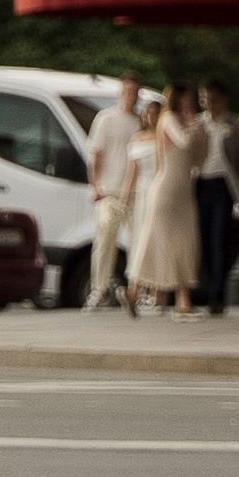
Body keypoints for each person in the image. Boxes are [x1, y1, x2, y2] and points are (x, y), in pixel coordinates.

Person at [128, 83, 202, 316]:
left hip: (183, 192)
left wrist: (198, 129)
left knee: (185, 243)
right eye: (186, 99)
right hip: (166, 191)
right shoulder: (169, 118)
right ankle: (135, 288)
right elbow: (184, 141)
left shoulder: (185, 122)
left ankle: (183, 299)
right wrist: (194, 124)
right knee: (154, 240)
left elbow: (199, 156)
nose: (190, 104)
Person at [193, 82, 239, 314]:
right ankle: (207, 288)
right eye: (205, 99)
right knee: (204, 242)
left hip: (223, 187)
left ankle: (217, 296)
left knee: (219, 241)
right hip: (201, 185)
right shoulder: (198, 124)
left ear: (223, 99)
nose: (209, 104)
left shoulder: (235, 125)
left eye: (213, 99)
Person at [83, 76, 140, 309]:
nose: (131, 96)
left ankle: (137, 290)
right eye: (127, 91)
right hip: (109, 191)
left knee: (138, 242)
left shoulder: (139, 122)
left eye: (134, 92)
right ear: (121, 93)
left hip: (134, 192)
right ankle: (99, 289)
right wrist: (95, 186)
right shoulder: (106, 119)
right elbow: (95, 155)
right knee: (105, 241)